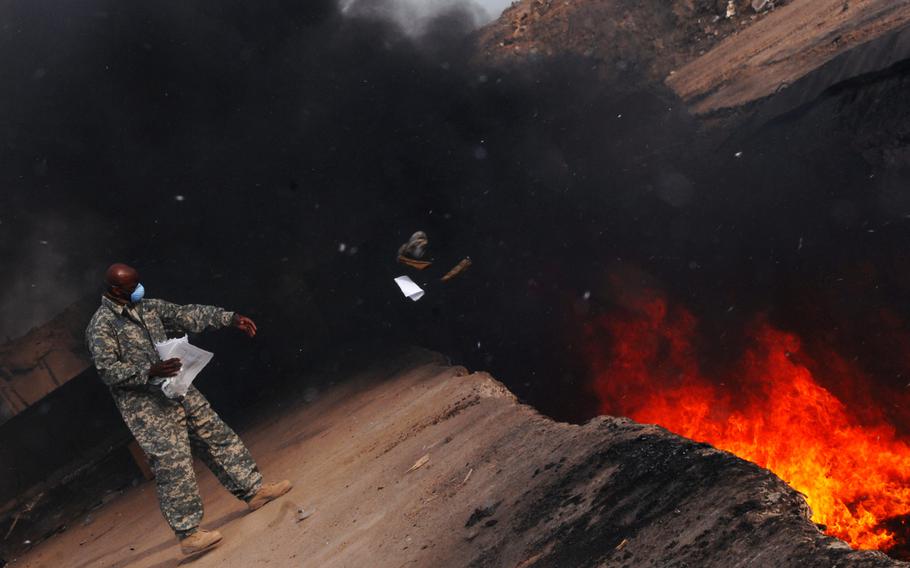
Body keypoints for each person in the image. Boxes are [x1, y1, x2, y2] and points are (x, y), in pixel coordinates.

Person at [85, 263, 292, 555]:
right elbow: (108, 371)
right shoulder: (101, 326)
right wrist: (150, 370)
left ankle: (253, 491)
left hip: (180, 390)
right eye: (133, 286)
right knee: (174, 467)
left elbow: (185, 314)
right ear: (116, 290)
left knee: (217, 437)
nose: (140, 289)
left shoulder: (147, 307)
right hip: (147, 408)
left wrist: (229, 318)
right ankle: (189, 534)